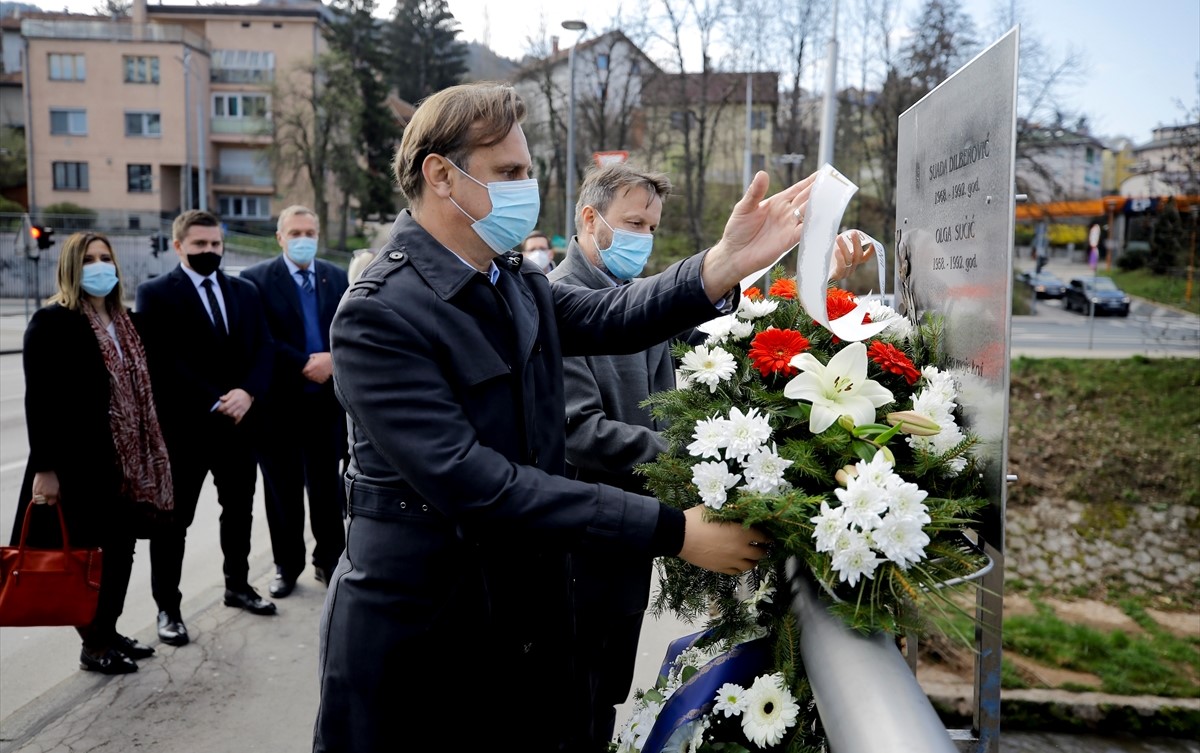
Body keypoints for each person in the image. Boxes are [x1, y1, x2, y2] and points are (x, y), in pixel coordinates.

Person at [314, 82, 871, 753]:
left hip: (519, 618)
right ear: (441, 175)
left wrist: (728, 262)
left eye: (529, 170)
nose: (529, 187)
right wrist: (670, 529)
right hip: (421, 633)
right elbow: (475, 482)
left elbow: (616, 314)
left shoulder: (511, 281)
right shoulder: (380, 310)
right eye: (510, 173)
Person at [546, 162, 691, 749]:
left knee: (606, 692)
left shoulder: (639, 304)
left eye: (652, 226)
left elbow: (667, 409)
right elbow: (580, 432)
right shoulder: (556, 301)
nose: (643, 238)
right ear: (590, 219)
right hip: (581, 539)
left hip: (630, 540)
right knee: (568, 699)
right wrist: (686, 457)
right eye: (633, 222)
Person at [13, 231, 173, 674]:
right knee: (88, 559)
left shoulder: (129, 323)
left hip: (127, 465)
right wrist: (44, 468)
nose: (100, 267)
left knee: (121, 553)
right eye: (89, 260)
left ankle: (109, 629)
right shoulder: (52, 322)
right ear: (70, 268)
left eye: (106, 258)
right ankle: (94, 645)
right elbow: (38, 399)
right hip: (77, 465)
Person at [136, 209, 276, 647]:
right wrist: (215, 398)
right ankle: (168, 609)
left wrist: (248, 393)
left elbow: (264, 348)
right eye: (199, 245)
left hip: (239, 425)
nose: (209, 252)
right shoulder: (156, 294)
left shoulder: (245, 291)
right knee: (172, 524)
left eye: (215, 244)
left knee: (238, 513)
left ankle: (238, 585)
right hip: (186, 430)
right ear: (179, 246)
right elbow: (161, 360)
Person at [241, 206, 349, 598]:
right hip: (278, 406)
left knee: (325, 488)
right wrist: (304, 362)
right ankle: (287, 566)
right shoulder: (257, 280)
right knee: (282, 492)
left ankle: (330, 560)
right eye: (296, 232)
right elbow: (260, 338)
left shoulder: (336, 276)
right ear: (280, 237)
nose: (304, 238)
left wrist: (333, 361)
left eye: (310, 231)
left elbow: (349, 328)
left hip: (325, 405)